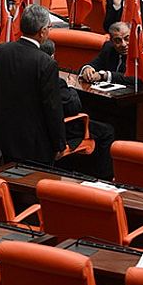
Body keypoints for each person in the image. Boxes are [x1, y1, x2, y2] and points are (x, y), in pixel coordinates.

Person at [0, 4, 66, 165]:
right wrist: (59, 143)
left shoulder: (0, 51)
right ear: (42, 32)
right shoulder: (46, 63)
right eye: (49, 27)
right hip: (34, 143)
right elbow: (52, 107)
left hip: (3, 134)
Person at [41, 40, 115, 180]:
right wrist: (70, 88)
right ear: (52, 56)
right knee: (107, 131)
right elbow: (74, 107)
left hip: (37, 127)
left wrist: (87, 68)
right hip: (59, 129)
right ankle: (103, 178)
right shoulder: (55, 81)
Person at [80, 21, 143, 133]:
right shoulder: (108, 48)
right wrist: (87, 69)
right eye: (118, 41)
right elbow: (94, 64)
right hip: (117, 105)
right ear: (111, 41)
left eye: (127, 38)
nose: (124, 44)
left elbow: (138, 79)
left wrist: (106, 75)